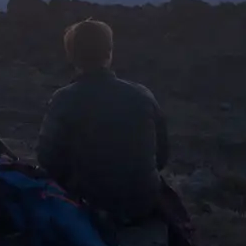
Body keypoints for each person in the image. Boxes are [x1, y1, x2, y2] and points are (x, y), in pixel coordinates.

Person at [36, 18, 169, 223]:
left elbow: (47, 158)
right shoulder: (142, 95)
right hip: (143, 201)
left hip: (89, 204)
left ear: (72, 56)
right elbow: (162, 155)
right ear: (109, 53)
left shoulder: (64, 99)